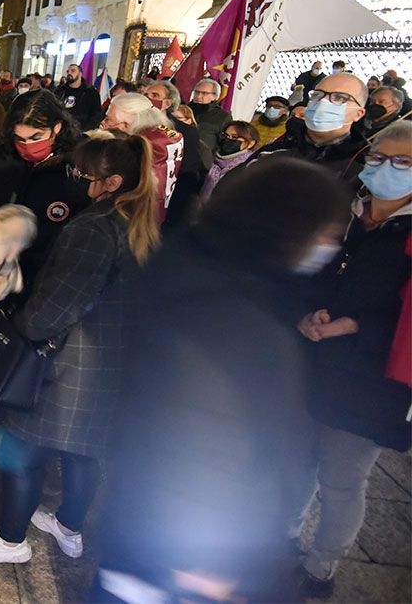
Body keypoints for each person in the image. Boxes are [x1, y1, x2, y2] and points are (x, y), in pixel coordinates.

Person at [94, 157, 351, 604]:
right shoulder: (235, 320)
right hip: (184, 561)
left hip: (144, 534)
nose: (330, 246)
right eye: (326, 233)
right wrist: (218, 566)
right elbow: (202, 439)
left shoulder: (191, 266)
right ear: (288, 230)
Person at [0, 134, 159, 566]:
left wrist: (23, 324)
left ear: (112, 181)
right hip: (110, 361)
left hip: (72, 363)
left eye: (86, 174)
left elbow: (57, 304)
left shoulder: (94, 228)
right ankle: (69, 527)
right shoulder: (139, 222)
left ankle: (10, 541)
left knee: (26, 449)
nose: (79, 180)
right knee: (83, 451)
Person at [296, 122, 412, 598]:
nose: (383, 168)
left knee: (342, 478)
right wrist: (303, 313)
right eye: (377, 158)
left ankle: (320, 566)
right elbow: (304, 268)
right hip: (311, 359)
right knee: (294, 460)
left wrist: (357, 325)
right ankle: (282, 535)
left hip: (370, 379)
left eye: (401, 162)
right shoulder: (346, 211)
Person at [0, 90, 91, 294]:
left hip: (44, 280)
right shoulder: (2, 157)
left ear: (57, 127)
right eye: (19, 138)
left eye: (36, 137)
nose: (27, 145)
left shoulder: (80, 165)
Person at [256, 72, 370, 180]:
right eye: (317, 95)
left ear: (358, 114)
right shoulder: (273, 152)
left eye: (340, 98)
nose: (323, 102)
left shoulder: (368, 167)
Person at [101, 92, 184, 223]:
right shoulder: (166, 136)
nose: (102, 124)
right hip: (157, 215)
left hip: (132, 218)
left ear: (125, 125)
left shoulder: (139, 148)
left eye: (108, 120)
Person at [144, 80, 207, 228]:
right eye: (145, 94)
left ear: (167, 103)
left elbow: (188, 173)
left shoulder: (185, 132)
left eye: (155, 95)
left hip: (167, 204)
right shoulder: (137, 124)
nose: (148, 98)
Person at [200, 120, 259, 202]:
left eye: (234, 137)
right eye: (226, 136)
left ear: (251, 143)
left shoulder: (248, 168)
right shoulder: (210, 158)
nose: (228, 139)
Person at [187, 79, 231, 164]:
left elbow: (223, 143)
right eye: (197, 92)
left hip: (202, 161)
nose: (199, 96)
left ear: (215, 96)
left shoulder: (223, 116)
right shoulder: (185, 110)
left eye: (204, 93)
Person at [54, 64, 103, 130]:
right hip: (61, 131)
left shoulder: (91, 93)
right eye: (68, 71)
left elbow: (96, 116)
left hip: (82, 133)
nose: (69, 73)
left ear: (80, 74)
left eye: (73, 71)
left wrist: (85, 131)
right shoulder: (60, 90)